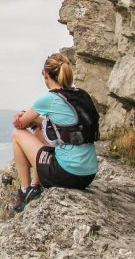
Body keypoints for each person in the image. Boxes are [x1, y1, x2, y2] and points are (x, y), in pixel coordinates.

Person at [10, 52, 99, 212]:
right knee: (38, 129)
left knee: (17, 136)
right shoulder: (81, 95)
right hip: (88, 175)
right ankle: (35, 187)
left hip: (67, 175)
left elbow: (20, 125)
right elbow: (65, 126)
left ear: (45, 75)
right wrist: (35, 121)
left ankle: (25, 191)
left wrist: (20, 116)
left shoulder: (49, 99)